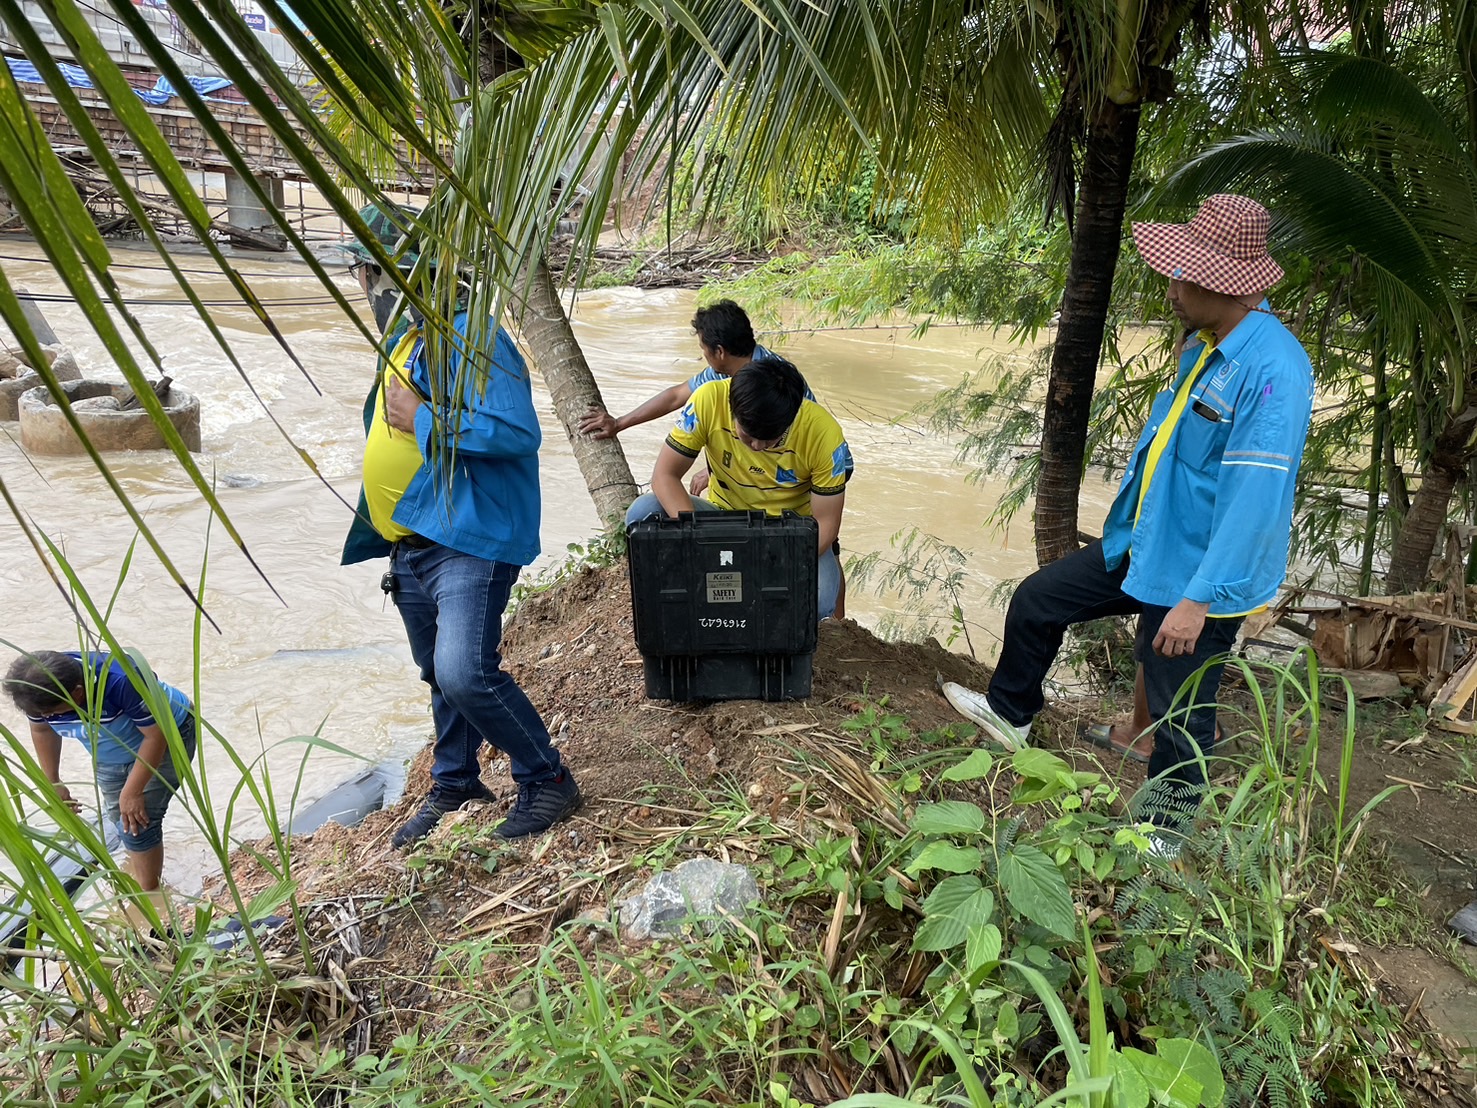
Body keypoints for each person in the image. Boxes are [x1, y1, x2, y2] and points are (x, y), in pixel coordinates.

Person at [941, 193, 1314, 842]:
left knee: (1179, 710)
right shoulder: (1205, 343)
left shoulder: (1271, 368)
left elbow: (1254, 502)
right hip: (1151, 544)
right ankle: (1010, 714)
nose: (1168, 287)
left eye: (1179, 274)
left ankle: (1161, 835)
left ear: (1218, 282)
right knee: (1038, 599)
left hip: (1201, 575)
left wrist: (1197, 601)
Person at [340, 203, 580, 848]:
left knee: (464, 672)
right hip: (411, 541)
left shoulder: (476, 337)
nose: (365, 286)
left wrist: (424, 417)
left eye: (370, 271)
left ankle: (546, 778)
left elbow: (515, 432)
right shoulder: (410, 336)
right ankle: (453, 782)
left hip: (466, 536)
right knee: (437, 675)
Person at [624, 357, 852, 619]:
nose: (756, 447)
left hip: (788, 531)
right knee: (643, 512)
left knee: (822, 602)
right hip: (721, 516)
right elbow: (665, 476)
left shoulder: (824, 434)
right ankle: (669, 602)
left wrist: (775, 563)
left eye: (769, 440)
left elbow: (826, 522)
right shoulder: (707, 400)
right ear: (732, 408)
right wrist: (698, 539)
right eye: (747, 436)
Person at [3, 650, 197, 892]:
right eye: (43, 714)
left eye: (53, 713)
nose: (48, 718)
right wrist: (53, 782)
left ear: (78, 692)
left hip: (168, 734)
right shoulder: (34, 692)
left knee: (137, 824)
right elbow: (42, 730)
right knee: (122, 820)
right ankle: (142, 868)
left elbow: (156, 735)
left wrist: (133, 791)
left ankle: (150, 898)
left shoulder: (120, 680)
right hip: (110, 748)